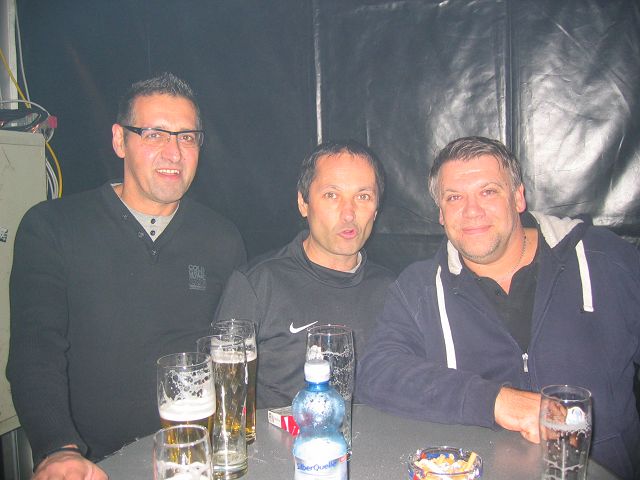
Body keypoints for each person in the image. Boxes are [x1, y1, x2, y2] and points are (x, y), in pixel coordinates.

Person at [6, 72, 246, 479]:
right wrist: (58, 448)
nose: (174, 152)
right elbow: (35, 352)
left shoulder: (222, 238)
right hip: (94, 465)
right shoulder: (54, 227)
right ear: (120, 140)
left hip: (195, 461)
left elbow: (233, 350)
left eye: (187, 137)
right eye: (154, 134)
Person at [357, 136, 640, 479]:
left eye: (488, 192)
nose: (472, 211)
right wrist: (496, 401)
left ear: (518, 197)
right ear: (441, 214)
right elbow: (377, 373)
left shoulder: (604, 261)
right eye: (454, 197)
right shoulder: (419, 287)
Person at [214, 140, 395, 408]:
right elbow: (224, 399)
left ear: (376, 209)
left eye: (363, 196)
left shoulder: (394, 290)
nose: (349, 213)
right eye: (332, 195)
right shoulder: (258, 285)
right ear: (303, 203)